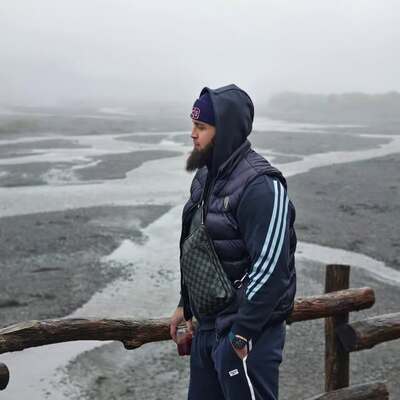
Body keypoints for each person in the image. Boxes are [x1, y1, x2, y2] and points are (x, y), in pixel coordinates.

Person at [170, 84, 297, 400]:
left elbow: (272, 269)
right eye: (193, 124)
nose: (192, 134)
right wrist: (185, 304)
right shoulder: (205, 176)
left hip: (247, 334)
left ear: (225, 130)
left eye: (201, 127)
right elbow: (197, 244)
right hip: (208, 327)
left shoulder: (262, 186)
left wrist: (240, 336)